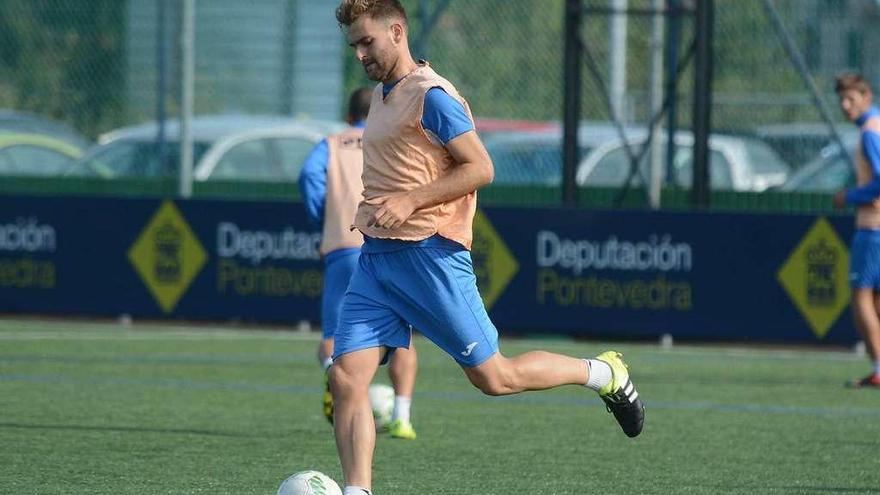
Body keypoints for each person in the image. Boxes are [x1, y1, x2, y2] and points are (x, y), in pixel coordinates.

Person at [330, 1, 645, 493]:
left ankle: (602, 372)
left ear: (397, 31)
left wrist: (412, 199)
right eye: (354, 45)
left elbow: (480, 168)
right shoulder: (382, 95)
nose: (360, 54)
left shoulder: (431, 96)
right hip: (375, 261)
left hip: (430, 256)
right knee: (348, 378)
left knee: (495, 378)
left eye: (367, 42)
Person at [299, 87, 419, 438]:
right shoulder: (392, 138)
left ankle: (334, 379)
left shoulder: (332, 143)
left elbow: (309, 177)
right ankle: (402, 416)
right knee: (403, 336)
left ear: (349, 116)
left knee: (334, 337)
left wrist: (324, 216)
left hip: (344, 244)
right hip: (391, 246)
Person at [832, 73, 880, 388]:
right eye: (841, 100)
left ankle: (878, 369)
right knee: (875, 301)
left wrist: (848, 196)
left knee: (860, 299)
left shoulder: (869, 132)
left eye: (851, 99)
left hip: (872, 229)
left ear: (867, 96)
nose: (845, 106)